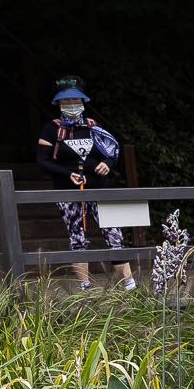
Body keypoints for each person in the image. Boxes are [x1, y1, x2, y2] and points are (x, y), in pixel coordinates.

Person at [34, 80, 137, 291]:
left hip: (98, 187)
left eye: (75, 99)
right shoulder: (51, 129)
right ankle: (85, 286)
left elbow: (111, 153)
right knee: (77, 235)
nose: (72, 103)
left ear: (82, 101)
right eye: (66, 100)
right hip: (68, 190)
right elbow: (43, 161)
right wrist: (68, 173)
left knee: (114, 232)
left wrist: (107, 165)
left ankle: (129, 283)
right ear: (58, 103)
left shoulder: (93, 126)